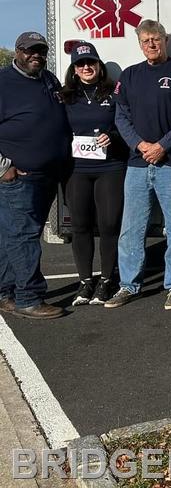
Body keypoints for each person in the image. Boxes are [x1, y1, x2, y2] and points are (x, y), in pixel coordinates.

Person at [105, 20, 171, 310]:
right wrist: (140, 145)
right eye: (146, 40)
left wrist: (162, 146)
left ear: (165, 40)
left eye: (156, 39)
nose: (152, 45)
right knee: (131, 228)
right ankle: (129, 285)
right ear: (139, 44)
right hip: (137, 164)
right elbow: (121, 116)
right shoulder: (130, 76)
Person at [0, 32, 70, 319]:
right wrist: (4, 167)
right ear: (17, 52)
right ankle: (29, 298)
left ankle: (5, 293)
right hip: (19, 178)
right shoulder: (3, 82)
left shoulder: (48, 79)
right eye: (29, 50)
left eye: (40, 50)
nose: (35, 55)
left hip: (47, 174)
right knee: (24, 236)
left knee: (12, 237)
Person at [61, 42, 127, 306]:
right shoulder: (65, 96)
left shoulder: (114, 93)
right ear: (74, 70)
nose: (86, 67)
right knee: (80, 226)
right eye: (80, 64)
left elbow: (126, 126)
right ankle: (86, 281)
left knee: (109, 224)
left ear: (100, 66)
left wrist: (113, 138)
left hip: (110, 168)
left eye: (91, 62)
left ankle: (107, 279)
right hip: (76, 170)